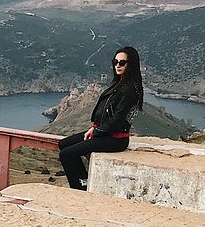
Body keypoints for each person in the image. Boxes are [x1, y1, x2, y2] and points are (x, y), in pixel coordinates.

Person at [58, 45, 144, 190]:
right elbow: (106, 111)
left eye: (122, 63)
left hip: (115, 139)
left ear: (132, 64)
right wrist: (94, 127)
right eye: (115, 62)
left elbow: (117, 120)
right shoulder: (119, 83)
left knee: (66, 154)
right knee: (63, 145)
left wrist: (97, 132)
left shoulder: (130, 89)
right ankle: (83, 181)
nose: (118, 65)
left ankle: (80, 187)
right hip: (104, 132)